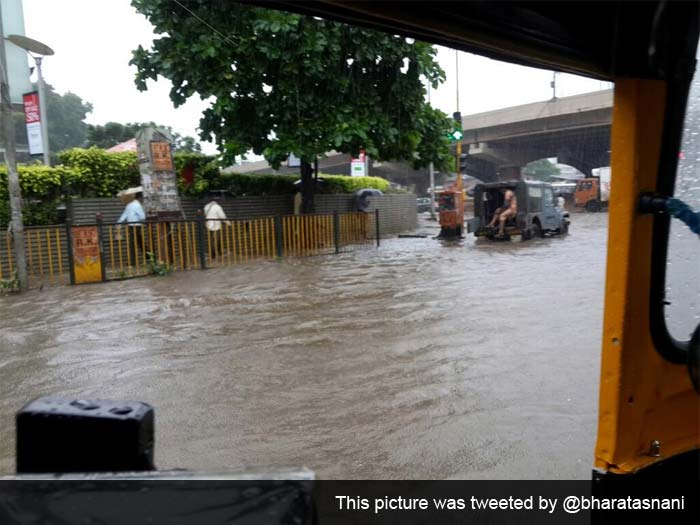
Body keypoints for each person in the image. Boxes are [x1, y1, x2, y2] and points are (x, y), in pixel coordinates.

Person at [117, 192, 145, 266]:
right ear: (140, 198)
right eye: (143, 198)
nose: (143, 200)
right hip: (137, 226)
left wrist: (119, 222)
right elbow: (142, 217)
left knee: (136, 243)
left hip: (130, 226)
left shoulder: (129, 205)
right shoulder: (138, 205)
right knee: (138, 243)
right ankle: (134, 261)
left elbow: (124, 215)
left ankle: (146, 258)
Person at [204, 193, 229, 259]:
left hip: (208, 225)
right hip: (216, 225)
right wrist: (228, 223)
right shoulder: (218, 207)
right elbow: (222, 216)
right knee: (214, 240)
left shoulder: (206, 206)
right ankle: (213, 255)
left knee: (214, 239)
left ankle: (220, 252)